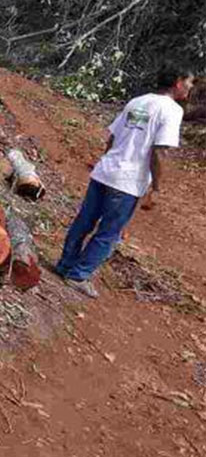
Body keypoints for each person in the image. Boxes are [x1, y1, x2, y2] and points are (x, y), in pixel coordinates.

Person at [55, 63, 195, 298]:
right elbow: (159, 151)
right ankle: (78, 275)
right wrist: (156, 188)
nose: (190, 87)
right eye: (189, 82)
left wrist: (107, 160)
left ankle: (65, 265)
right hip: (128, 181)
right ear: (178, 82)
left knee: (84, 221)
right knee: (109, 233)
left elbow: (112, 137)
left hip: (105, 171)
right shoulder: (172, 110)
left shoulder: (137, 101)